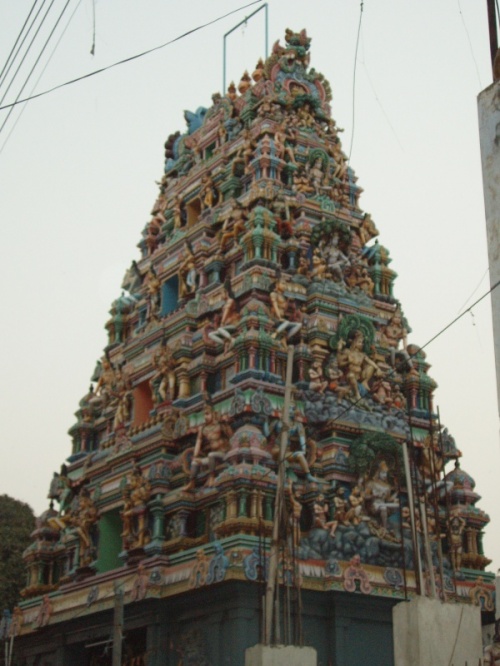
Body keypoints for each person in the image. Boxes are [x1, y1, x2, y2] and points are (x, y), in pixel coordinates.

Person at [183, 405, 231, 490]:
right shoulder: (203, 429)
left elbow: (231, 436)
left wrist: (225, 424)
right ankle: (192, 483)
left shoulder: (220, 425)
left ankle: (212, 477)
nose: (205, 417)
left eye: (207, 414)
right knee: (195, 462)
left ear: (213, 414)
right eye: (204, 415)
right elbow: (198, 441)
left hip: (224, 455)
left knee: (211, 454)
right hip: (213, 458)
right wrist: (195, 455)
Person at [337, 330, 382, 400]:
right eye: (359, 342)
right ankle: (357, 394)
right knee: (351, 376)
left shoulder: (362, 355)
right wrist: (348, 362)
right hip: (349, 376)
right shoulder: (348, 352)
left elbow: (370, 362)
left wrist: (378, 368)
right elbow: (339, 363)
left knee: (371, 367)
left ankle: (354, 389)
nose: (361, 344)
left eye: (362, 342)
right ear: (354, 342)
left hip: (358, 377)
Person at [364, 460, 399, 530]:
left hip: (383, 504)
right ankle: (384, 528)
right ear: (378, 472)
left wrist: (397, 492)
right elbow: (365, 496)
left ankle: (384, 526)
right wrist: (374, 496)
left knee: (395, 505)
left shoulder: (388, 486)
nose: (385, 475)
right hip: (374, 505)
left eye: (386, 473)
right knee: (383, 507)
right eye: (383, 473)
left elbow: (388, 499)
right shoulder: (371, 483)